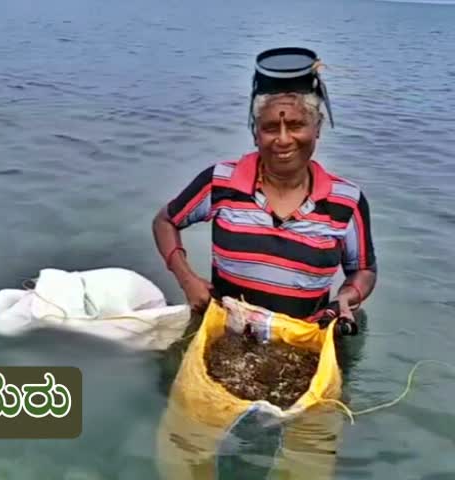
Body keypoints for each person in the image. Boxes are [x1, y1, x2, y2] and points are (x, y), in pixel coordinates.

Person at [152, 47, 377, 326]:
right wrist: (187, 280)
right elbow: (165, 221)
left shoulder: (347, 201)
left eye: (296, 125)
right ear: (255, 132)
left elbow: (363, 269)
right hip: (228, 336)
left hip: (306, 339)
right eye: (271, 127)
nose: (283, 140)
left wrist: (347, 296)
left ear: (317, 127)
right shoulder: (220, 182)